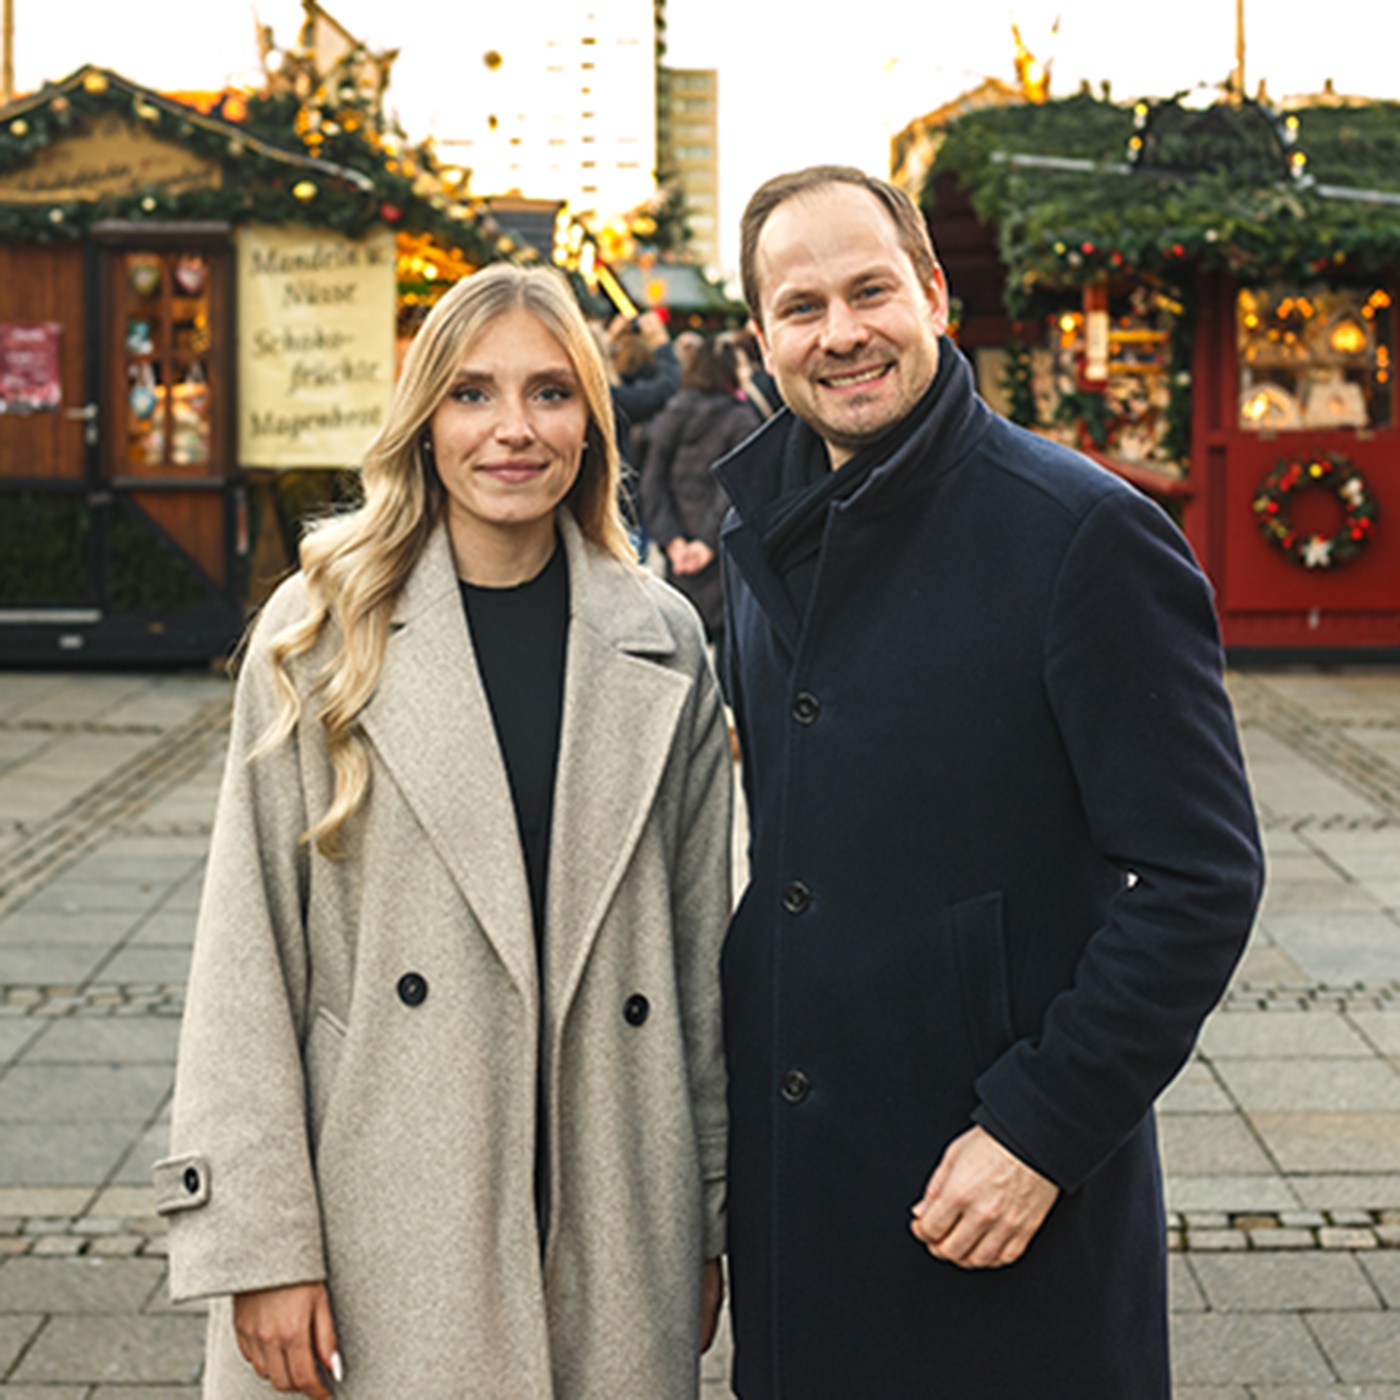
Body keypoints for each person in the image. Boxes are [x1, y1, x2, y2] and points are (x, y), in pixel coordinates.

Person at [712, 165, 1264, 1399]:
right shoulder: (764, 534)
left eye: (869, 291)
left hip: (999, 1201)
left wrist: (1037, 1128)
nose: (840, 332)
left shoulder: (1081, 534)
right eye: (799, 307)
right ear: (760, 339)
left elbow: (1199, 875)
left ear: (934, 295)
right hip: (806, 1206)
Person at [156, 264, 732, 1399]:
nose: (512, 429)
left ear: (592, 421)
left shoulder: (661, 639)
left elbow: (699, 960)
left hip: (610, 1204)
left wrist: (703, 1213)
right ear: (423, 422)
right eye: (472, 394)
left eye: (549, 393)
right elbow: (246, 954)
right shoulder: (322, 628)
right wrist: (261, 1242)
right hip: (382, 1201)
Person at [641, 337, 760, 643]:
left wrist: (673, 540)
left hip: (680, 553)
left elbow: (653, 480)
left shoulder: (674, 413)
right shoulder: (741, 419)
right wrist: (707, 543)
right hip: (722, 553)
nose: (747, 372)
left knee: (683, 645)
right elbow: (735, 489)